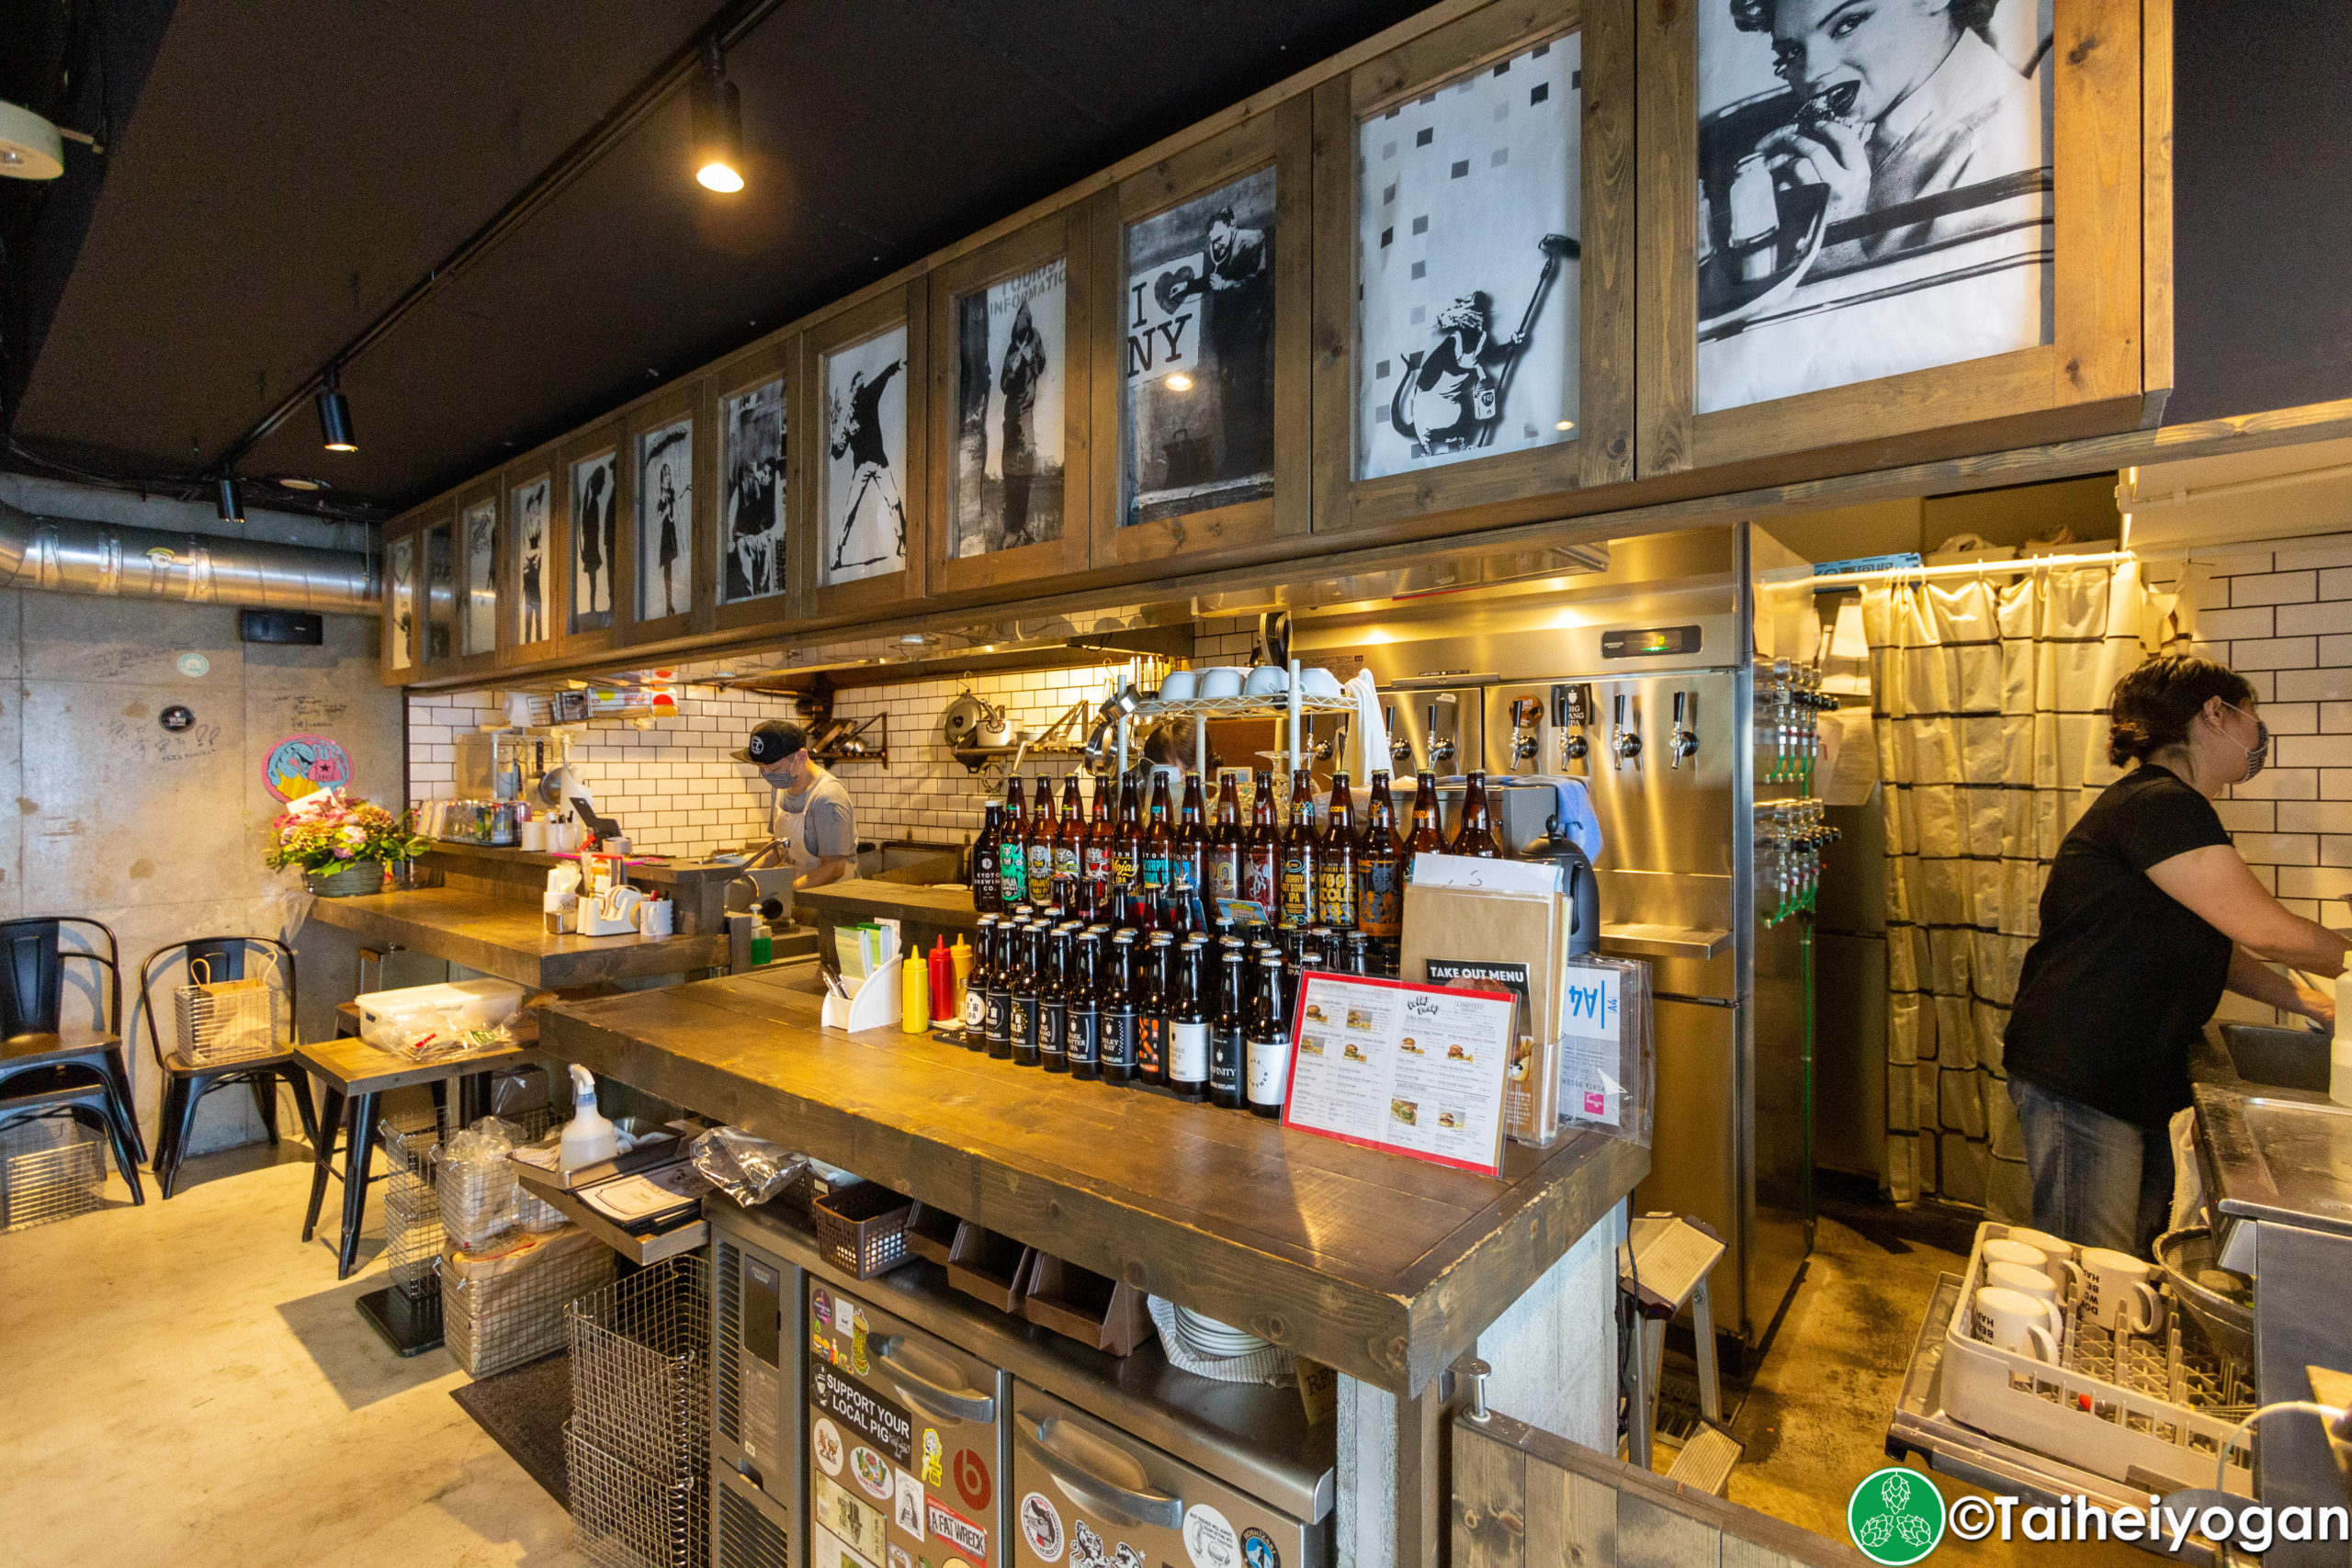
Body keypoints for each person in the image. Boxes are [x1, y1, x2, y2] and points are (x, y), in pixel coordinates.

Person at [2003, 655, 2349, 1256]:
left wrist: (2311, 1002)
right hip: (2087, 1069)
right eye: (2253, 719)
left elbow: (2216, 943)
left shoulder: (2173, 810)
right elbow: (2268, 931)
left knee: (2126, 1260)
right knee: (2094, 1268)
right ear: (2215, 713)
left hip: (2128, 1070)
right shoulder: (2160, 806)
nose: (2257, 737)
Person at [1740, 0, 2043, 265]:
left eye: (1848, 23)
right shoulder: (1874, 109)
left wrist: (1835, 233)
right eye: (1793, 52)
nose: (1810, 72)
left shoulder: (1998, 150)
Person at [735, 720, 858, 891]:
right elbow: (779, 849)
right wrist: (742, 872)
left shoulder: (827, 797)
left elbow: (835, 868)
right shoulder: (780, 788)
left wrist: (785, 892)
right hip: (798, 896)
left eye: (774, 768)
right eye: (762, 769)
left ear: (801, 757)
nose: (767, 776)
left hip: (830, 901)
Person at [829, 361, 908, 570]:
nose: (862, 388)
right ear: (853, 389)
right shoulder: (849, 417)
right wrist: (835, 436)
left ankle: (904, 542)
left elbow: (881, 379)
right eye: (858, 385)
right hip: (863, 466)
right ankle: (837, 553)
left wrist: (894, 366)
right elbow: (837, 453)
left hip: (879, 463)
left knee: (894, 502)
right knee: (850, 510)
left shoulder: (867, 399)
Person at [998, 299, 1046, 549]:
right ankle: (1012, 528)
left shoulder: (1035, 338)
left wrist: (1030, 360)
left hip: (1025, 414)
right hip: (1010, 415)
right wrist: (1013, 368)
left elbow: (1041, 366)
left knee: (1025, 466)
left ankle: (1020, 526)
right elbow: (1004, 385)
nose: (1021, 328)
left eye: (1024, 324)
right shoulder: (1009, 350)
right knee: (1009, 471)